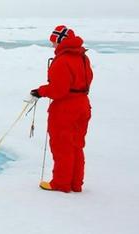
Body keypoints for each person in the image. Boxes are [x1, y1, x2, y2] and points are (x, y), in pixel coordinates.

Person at [29, 25, 93, 193]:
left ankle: (61, 184)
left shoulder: (63, 60)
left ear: (60, 41)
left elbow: (59, 90)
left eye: (54, 42)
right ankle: (75, 184)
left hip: (66, 109)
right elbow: (87, 80)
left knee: (62, 147)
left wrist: (41, 91)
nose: (52, 46)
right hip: (83, 105)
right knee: (76, 146)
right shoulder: (83, 58)